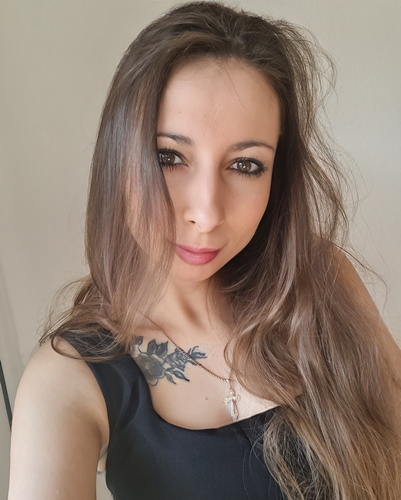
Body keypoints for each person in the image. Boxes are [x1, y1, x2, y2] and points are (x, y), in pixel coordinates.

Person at [7, 2, 401, 499]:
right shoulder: (67, 380)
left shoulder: (322, 278)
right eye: (169, 157)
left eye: (246, 165)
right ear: (118, 158)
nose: (207, 213)